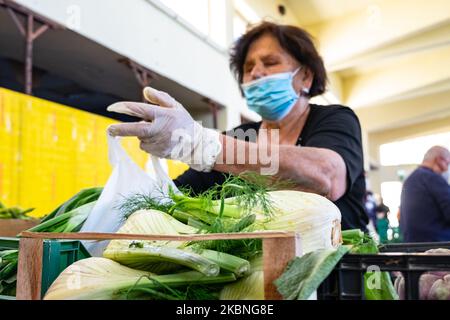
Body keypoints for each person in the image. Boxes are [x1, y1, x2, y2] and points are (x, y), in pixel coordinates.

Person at [107, 22, 368, 231]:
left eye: (270, 62)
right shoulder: (240, 137)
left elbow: (327, 176)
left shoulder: (334, 119)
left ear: (306, 76)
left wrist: (201, 144)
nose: (256, 72)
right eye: (248, 67)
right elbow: (174, 195)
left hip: (339, 277)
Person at [399, 146, 450, 242]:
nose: (447, 169)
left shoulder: (410, 179)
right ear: (439, 160)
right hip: (437, 246)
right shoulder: (433, 178)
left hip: (412, 246)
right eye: (448, 163)